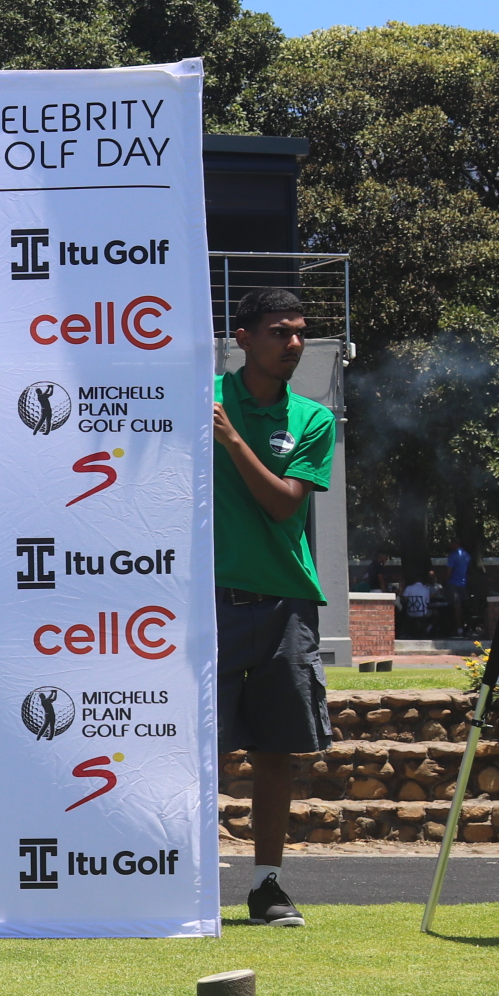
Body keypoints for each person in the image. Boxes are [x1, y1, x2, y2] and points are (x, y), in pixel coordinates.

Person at [215, 288, 337, 928]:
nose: (293, 343)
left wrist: (233, 440)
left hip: (286, 605)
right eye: (278, 332)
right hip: (205, 604)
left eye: (300, 332)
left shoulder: (313, 418)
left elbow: (285, 504)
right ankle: (182, 877)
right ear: (242, 337)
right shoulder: (199, 396)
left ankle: (267, 886)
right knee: (195, 746)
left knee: (274, 752)